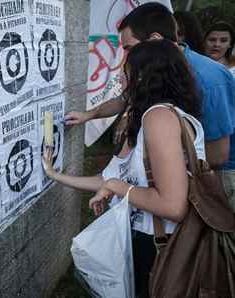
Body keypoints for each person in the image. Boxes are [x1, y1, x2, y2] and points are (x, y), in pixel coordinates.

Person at [44, 39, 204, 298]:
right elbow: (108, 179)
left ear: (145, 76)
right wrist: (54, 174)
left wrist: (117, 187)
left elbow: (173, 206)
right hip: (156, 242)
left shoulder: (159, 118)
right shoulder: (159, 116)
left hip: (160, 246)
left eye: (125, 71)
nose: (119, 79)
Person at [66, 3, 235, 170]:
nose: (127, 57)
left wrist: (157, 166)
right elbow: (126, 98)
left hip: (211, 179)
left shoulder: (210, 79)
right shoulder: (155, 68)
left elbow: (217, 155)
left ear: (155, 39)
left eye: (130, 48)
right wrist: (88, 115)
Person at [204, 21, 235, 211]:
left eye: (223, 40)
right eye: (212, 39)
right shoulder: (196, 67)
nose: (217, 45)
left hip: (228, 158)